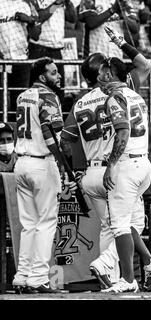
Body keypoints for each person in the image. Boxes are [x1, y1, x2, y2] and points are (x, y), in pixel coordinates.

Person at [61, 28, 151, 291]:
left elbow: (67, 140)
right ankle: (118, 269)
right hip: (123, 165)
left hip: (93, 171)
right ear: (102, 74)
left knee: (112, 226)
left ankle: (116, 270)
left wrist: (77, 173)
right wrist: (121, 42)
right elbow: (145, 65)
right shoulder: (124, 89)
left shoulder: (80, 102)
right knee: (128, 224)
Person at [11, 57, 76, 294]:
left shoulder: (22, 95)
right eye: (54, 73)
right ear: (42, 77)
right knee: (46, 223)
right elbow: (55, 133)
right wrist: (65, 166)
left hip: (22, 162)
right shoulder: (48, 96)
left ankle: (22, 276)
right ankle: (38, 277)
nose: (58, 77)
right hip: (41, 163)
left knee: (28, 225)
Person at [95, 57, 151, 293]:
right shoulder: (135, 95)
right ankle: (148, 262)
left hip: (127, 164)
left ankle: (128, 280)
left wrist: (111, 165)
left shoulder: (114, 97)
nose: (98, 77)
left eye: (101, 72)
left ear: (109, 74)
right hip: (143, 162)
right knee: (127, 223)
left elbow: (123, 131)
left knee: (119, 226)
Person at [0, 0, 40, 121]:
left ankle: (18, 133)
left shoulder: (26, 4)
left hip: (22, 61)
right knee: (1, 102)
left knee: (20, 101)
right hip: (2, 62)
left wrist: (30, 20)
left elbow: (36, 35)